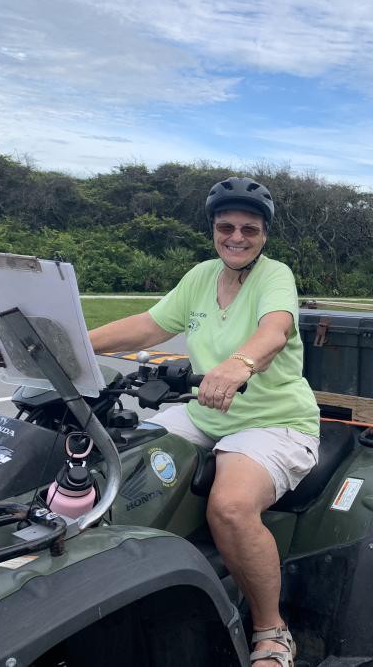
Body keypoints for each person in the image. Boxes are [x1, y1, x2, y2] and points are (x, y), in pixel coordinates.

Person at [88, 176, 319, 667]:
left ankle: (271, 630)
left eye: (249, 230)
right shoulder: (200, 276)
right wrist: (71, 342)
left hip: (273, 421)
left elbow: (274, 331)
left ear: (264, 235)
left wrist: (240, 365)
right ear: (213, 230)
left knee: (231, 507)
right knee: (115, 464)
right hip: (204, 412)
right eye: (226, 227)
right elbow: (148, 326)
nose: (236, 237)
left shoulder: (275, 275)